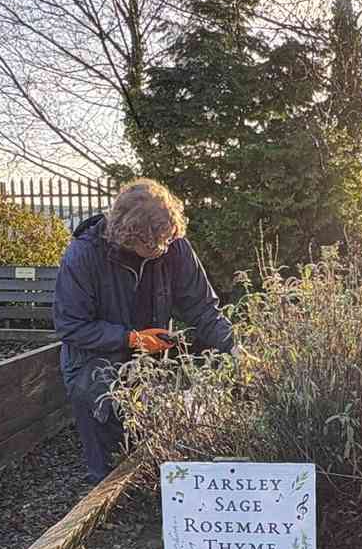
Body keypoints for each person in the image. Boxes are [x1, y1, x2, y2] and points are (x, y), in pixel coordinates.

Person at [53, 177, 233, 484]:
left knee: (152, 439)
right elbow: (71, 326)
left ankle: (153, 488)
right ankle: (102, 501)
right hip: (92, 360)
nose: (162, 248)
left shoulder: (174, 245)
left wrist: (235, 346)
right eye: (153, 243)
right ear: (127, 234)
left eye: (166, 239)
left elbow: (202, 307)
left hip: (149, 359)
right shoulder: (84, 255)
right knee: (105, 436)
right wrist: (130, 339)